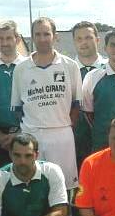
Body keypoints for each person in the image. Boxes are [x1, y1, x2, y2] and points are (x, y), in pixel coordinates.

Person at [11, 17, 83, 191]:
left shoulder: (70, 66)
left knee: (64, 187)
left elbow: (76, 105)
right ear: (32, 37)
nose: (42, 38)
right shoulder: (21, 68)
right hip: (31, 134)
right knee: (32, 184)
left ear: (55, 36)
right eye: (38, 34)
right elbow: (17, 107)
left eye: (46, 34)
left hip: (61, 134)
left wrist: (63, 124)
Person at [69, 21, 108, 216]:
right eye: (79, 38)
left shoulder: (109, 67)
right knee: (75, 194)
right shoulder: (66, 68)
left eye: (88, 37)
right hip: (73, 140)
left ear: (97, 40)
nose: (84, 42)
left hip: (102, 141)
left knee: (103, 193)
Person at [0, 20, 28, 176]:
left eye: (9, 38)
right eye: (0, 39)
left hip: (25, 134)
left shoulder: (29, 67)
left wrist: (20, 132)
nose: (5, 43)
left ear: (18, 39)